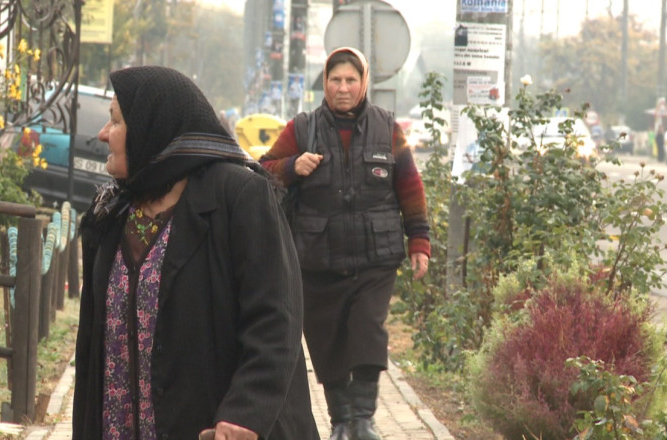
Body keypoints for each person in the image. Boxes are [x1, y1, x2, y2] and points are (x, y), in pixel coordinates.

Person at [73, 66, 319, 440]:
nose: (103, 133)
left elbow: (276, 317)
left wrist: (245, 413)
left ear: (153, 127)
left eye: (116, 121)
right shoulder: (112, 212)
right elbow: (93, 352)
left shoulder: (238, 196)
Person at [259, 47, 431, 440]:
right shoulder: (302, 129)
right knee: (327, 337)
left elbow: (410, 186)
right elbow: (263, 171)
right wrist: (292, 166)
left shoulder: (387, 128)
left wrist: (419, 241)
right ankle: (341, 422)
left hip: (376, 257)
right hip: (317, 257)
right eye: (335, 79)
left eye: (351, 80)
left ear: (364, 83)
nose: (343, 87)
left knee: (367, 327)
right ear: (325, 83)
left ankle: (363, 421)